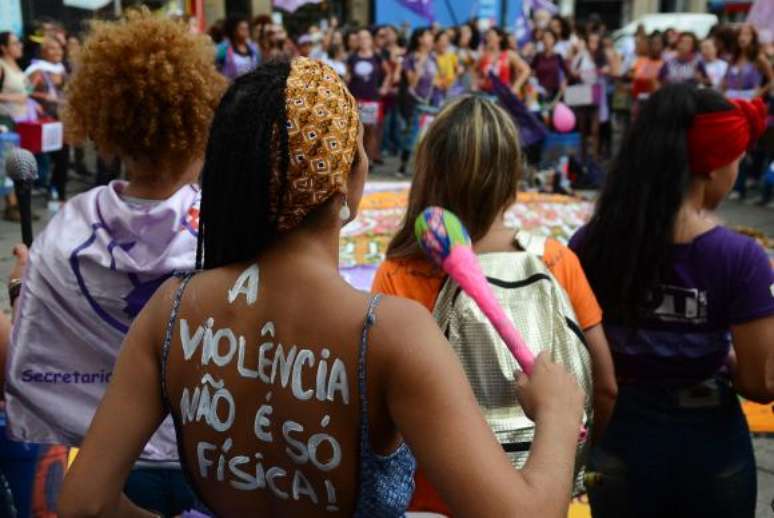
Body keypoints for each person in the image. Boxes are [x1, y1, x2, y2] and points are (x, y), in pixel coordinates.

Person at [59, 58, 585, 518]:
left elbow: (84, 503)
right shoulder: (393, 334)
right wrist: (559, 414)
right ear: (344, 179)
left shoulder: (170, 310)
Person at [5, 10, 226, 516]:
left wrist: (26, 285)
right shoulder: (227, 225)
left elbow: (39, 349)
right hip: (212, 452)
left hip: (107, 458)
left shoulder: (69, 227)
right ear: (200, 118)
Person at [373, 95, 618, 516]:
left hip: (435, 499)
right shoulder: (556, 261)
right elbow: (606, 386)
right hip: (545, 478)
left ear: (429, 172)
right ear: (512, 174)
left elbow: (382, 411)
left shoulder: (399, 273)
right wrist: (568, 454)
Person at [570, 84, 772, 518]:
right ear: (714, 167)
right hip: (710, 446)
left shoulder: (589, 244)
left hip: (618, 439)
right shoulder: (739, 258)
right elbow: (760, 383)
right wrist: (726, 356)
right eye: (736, 161)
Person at [725, 24, 772, 199]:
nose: (742, 37)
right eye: (740, 34)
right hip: (731, 102)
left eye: (747, 34)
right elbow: (725, 81)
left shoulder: (758, 58)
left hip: (747, 105)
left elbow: (771, 80)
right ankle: (733, 183)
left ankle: (740, 186)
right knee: (731, 144)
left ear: (753, 38)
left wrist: (757, 94)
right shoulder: (734, 59)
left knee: (742, 144)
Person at [28, 36, 70, 200]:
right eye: (52, 48)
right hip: (45, 120)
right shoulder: (37, 70)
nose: (58, 51)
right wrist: (45, 96)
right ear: (44, 52)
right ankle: (50, 190)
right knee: (50, 158)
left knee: (63, 158)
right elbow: (25, 92)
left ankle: (60, 194)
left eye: (59, 48)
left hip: (62, 119)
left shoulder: (61, 69)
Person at [398, 27, 437, 176]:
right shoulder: (410, 58)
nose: (431, 38)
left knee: (427, 134)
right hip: (414, 100)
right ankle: (402, 165)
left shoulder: (433, 57)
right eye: (428, 35)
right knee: (413, 133)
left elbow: (434, 79)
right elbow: (412, 83)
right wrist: (419, 65)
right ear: (420, 39)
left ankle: (422, 166)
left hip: (429, 100)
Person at [0, 32, 31, 223]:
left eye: (19, 42)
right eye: (14, 43)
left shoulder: (17, 66)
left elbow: (27, 92)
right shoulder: (1, 65)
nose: (19, 45)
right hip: (5, 121)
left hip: (20, 122)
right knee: (7, 164)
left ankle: (19, 204)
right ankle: (11, 206)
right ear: (3, 47)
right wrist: (15, 98)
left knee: (19, 163)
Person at [347, 28, 389, 164]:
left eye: (366, 38)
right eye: (360, 38)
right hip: (357, 98)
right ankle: (358, 159)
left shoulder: (377, 57)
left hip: (372, 98)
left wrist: (384, 87)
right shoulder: (352, 57)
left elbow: (388, 72)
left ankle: (369, 160)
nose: (363, 41)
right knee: (358, 130)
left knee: (371, 130)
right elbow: (347, 77)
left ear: (371, 40)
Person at [477, 27, 530, 95]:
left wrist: (516, 87)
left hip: (502, 96)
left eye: (491, 36)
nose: (488, 38)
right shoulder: (483, 55)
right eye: (487, 36)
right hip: (485, 94)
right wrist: (477, 82)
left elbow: (526, 70)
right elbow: (474, 70)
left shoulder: (508, 54)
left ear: (500, 38)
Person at [215, 15, 260, 80]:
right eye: (242, 29)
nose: (246, 31)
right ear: (234, 31)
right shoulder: (222, 49)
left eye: (247, 28)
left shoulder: (254, 48)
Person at [530, 29, 570, 102]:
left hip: (555, 93)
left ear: (554, 40)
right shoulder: (538, 57)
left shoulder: (558, 57)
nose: (547, 40)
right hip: (540, 93)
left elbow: (567, 73)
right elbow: (530, 71)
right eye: (544, 38)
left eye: (549, 38)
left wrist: (564, 83)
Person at [630, 33, 664, 115]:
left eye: (657, 44)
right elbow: (633, 79)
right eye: (652, 44)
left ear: (662, 46)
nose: (654, 47)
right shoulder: (640, 61)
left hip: (657, 104)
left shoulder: (666, 63)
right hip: (639, 103)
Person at [433, 30, 458, 105]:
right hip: (435, 94)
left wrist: (451, 84)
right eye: (441, 40)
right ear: (435, 43)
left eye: (446, 40)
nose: (444, 43)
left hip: (450, 93)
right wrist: (438, 85)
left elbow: (457, 72)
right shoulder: (431, 58)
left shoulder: (452, 56)